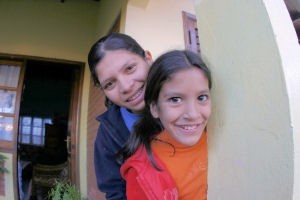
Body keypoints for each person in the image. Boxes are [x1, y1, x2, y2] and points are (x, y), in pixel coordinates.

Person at [121, 50, 212, 200]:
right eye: (175, 99)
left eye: (202, 97)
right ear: (155, 108)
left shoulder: (220, 138)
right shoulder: (141, 176)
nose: (193, 114)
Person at [88, 32, 153, 199]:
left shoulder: (182, 98)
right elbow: (115, 193)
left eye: (130, 68)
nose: (125, 87)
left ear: (148, 58)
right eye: (110, 84)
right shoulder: (108, 135)